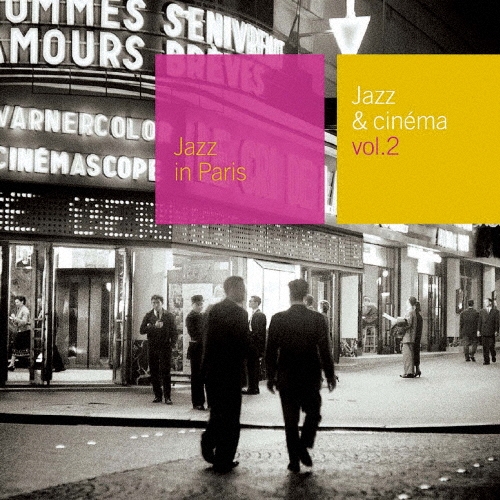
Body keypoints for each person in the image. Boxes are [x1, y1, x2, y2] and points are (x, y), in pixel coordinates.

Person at [266, 279, 336, 473]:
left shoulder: (278, 319)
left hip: (286, 375)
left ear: (290, 295)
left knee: (290, 420)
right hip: (310, 375)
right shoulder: (317, 319)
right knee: (314, 413)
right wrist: (330, 375)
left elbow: (270, 350)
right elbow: (325, 350)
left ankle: (294, 460)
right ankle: (304, 444)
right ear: (306, 295)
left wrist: (271, 376)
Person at [201, 276, 249, 473]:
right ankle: (224, 457)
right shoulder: (240, 314)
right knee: (231, 417)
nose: (244, 292)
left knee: (217, 413)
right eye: (242, 288)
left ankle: (209, 442)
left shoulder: (213, 311)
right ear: (232, 289)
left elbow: (207, 342)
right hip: (231, 372)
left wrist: (205, 370)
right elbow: (243, 345)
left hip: (214, 372)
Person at [139, 295, 177, 404]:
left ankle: (167, 397)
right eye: (153, 303)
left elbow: (174, 331)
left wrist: (172, 344)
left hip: (165, 347)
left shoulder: (169, 315)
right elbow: (142, 330)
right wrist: (153, 326)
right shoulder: (148, 315)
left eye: (157, 303)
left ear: (162, 303)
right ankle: (157, 396)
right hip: (152, 347)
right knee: (154, 371)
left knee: (166, 371)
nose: (155, 305)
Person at [242, 295, 267, 395]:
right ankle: (253, 387)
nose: (249, 302)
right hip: (253, 345)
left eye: (251, 301)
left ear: (256, 303)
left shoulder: (259, 315)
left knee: (253, 367)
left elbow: (258, 332)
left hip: (255, 346)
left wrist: (248, 337)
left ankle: (253, 388)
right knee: (252, 366)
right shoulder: (254, 314)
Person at [185, 295, 207, 410]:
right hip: (196, 349)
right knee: (197, 377)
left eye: (201, 304)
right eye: (198, 304)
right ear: (192, 305)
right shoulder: (190, 317)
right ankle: (197, 402)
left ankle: (209, 402)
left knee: (206, 376)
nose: (200, 306)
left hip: (204, 349)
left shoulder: (203, 316)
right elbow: (194, 333)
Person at [8, 296, 31, 371]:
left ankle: (12, 364)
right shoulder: (20, 309)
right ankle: (12, 364)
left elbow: (24, 322)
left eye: (17, 302)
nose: (16, 304)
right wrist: (14, 320)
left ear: (22, 302)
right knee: (17, 347)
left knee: (18, 347)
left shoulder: (25, 310)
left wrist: (15, 318)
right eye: (15, 302)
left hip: (24, 332)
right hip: (21, 331)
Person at [400, 296, 417, 378]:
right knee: (409, 354)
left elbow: (408, 323)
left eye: (407, 301)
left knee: (407, 355)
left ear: (409, 302)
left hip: (408, 336)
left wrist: (400, 324)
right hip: (410, 336)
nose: (406, 302)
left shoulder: (410, 312)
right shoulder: (412, 311)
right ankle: (410, 371)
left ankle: (408, 372)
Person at [478, 298, 498, 365]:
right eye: (484, 302)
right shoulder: (482, 311)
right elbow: (479, 322)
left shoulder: (495, 311)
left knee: (491, 345)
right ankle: (486, 360)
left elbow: (497, 322)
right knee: (485, 346)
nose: (485, 303)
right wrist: (478, 330)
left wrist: (496, 330)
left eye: (486, 302)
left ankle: (493, 354)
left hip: (492, 331)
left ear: (490, 302)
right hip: (484, 331)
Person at [413, 301, 423, 377]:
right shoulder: (419, 317)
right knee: (417, 352)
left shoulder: (414, 316)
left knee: (413, 353)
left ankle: (415, 369)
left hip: (414, 336)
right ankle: (417, 369)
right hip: (418, 336)